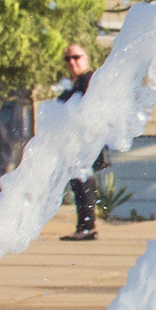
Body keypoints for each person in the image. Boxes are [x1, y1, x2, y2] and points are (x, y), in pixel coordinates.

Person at [59, 44, 105, 241]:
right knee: (80, 186)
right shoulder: (77, 84)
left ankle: (87, 228)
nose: (72, 62)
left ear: (86, 58)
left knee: (82, 185)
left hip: (86, 145)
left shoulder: (89, 82)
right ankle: (85, 227)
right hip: (78, 145)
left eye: (76, 57)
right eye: (68, 59)